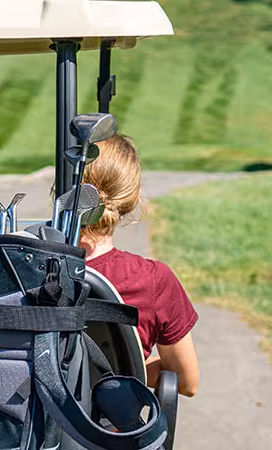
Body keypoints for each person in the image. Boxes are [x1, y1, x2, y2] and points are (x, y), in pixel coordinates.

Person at [77, 133, 200, 397]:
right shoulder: (153, 280)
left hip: (32, 433)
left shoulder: (27, 268)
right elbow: (187, 382)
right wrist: (130, 369)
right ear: (130, 199)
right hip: (108, 432)